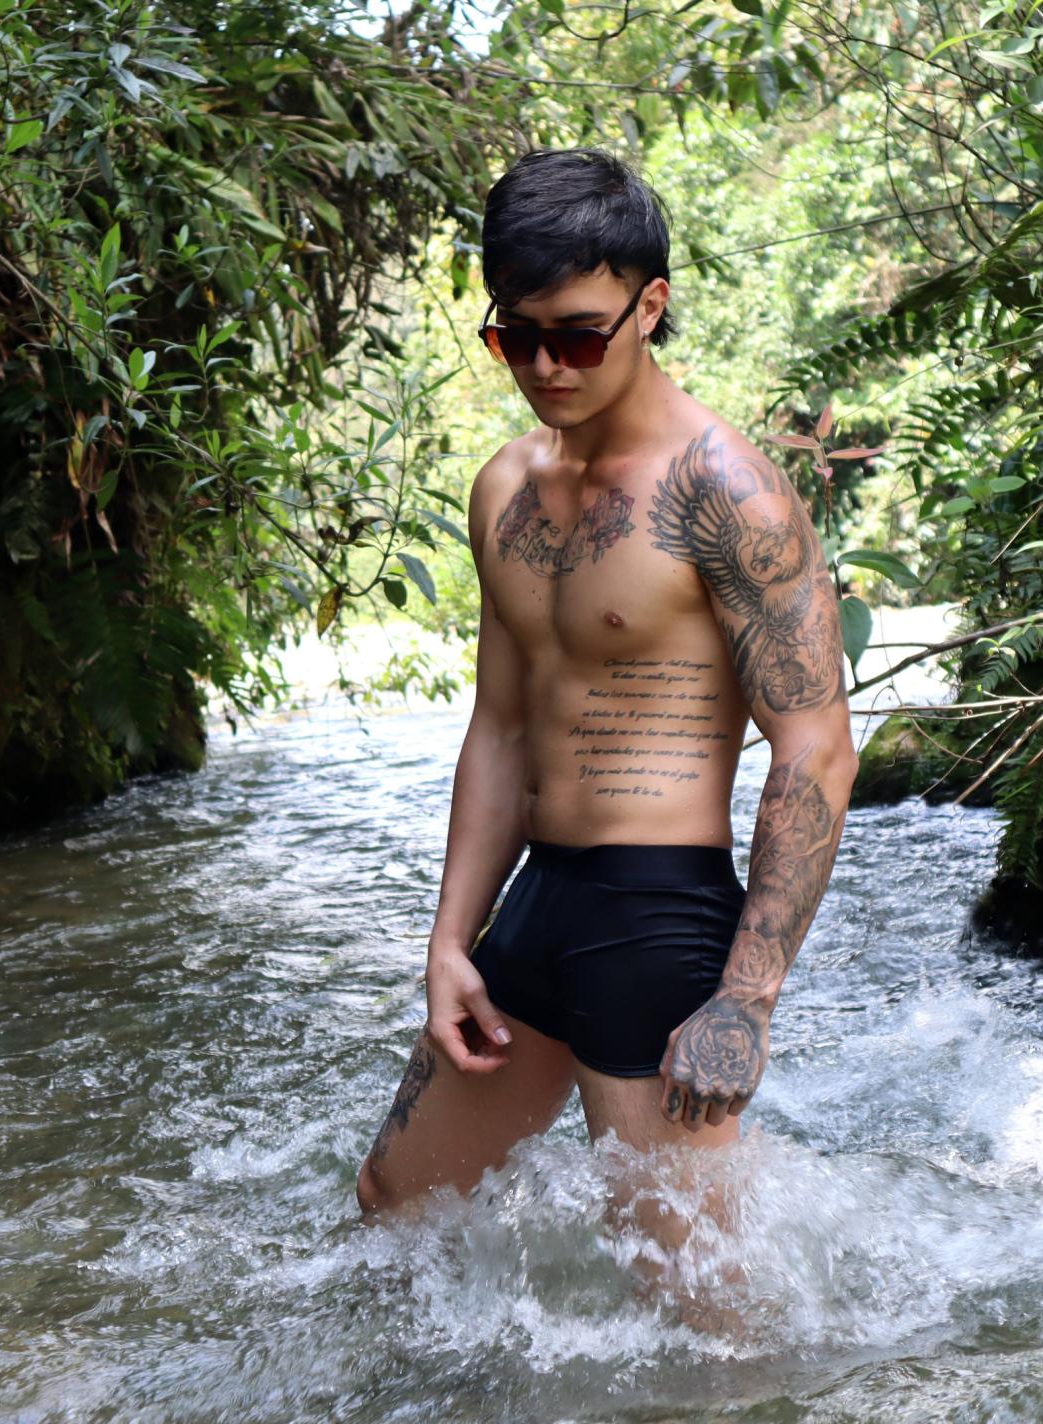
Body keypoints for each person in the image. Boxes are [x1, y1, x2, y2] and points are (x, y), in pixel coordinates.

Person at [354, 147, 857, 1328]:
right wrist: (450, 943)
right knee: (393, 1206)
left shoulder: (727, 491)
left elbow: (816, 746)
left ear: (651, 306)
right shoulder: (505, 488)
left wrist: (746, 1000)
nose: (544, 368)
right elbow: (500, 727)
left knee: (699, 1308)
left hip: (659, 918)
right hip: (539, 905)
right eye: (515, 338)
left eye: (578, 338)